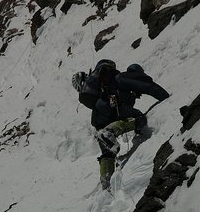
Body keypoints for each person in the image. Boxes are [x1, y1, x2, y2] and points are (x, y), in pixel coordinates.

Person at [72, 59, 170, 189]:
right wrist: (167, 98)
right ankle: (110, 132)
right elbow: (146, 86)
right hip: (112, 108)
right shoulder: (121, 78)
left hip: (98, 117)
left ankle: (106, 183)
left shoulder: (106, 83)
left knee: (107, 150)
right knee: (139, 119)